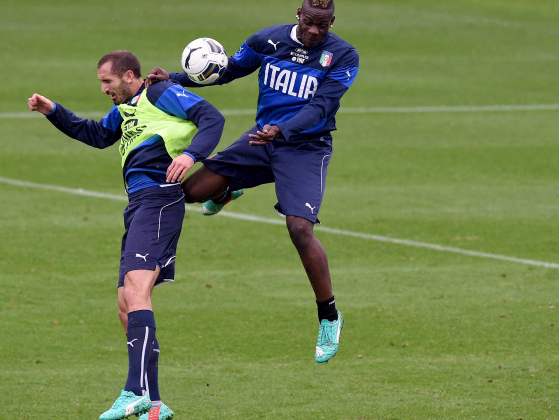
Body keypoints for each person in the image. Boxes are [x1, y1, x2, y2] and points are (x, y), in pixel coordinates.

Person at [148, 0, 358, 364]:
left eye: (322, 26)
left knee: (299, 229)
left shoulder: (343, 56)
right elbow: (228, 70)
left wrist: (283, 130)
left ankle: (329, 315)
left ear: (331, 22)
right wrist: (173, 79)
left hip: (306, 148)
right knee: (193, 192)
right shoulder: (268, 41)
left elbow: (321, 106)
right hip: (263, 139)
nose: (314, 31)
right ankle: (230, 189)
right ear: (299, 15)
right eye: (309, 23)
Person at [28, 50, 224, 420]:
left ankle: (135, 391)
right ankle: (154, 402)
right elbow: (98, 135)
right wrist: (53, 110)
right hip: (138, 206)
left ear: (129, 76)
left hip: (159, 199)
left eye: (107, 81)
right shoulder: (126, 110)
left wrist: (192, 155)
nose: (103, 89)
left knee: (136, 292)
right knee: (125, 303)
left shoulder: (160, 92)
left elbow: (211, 118)